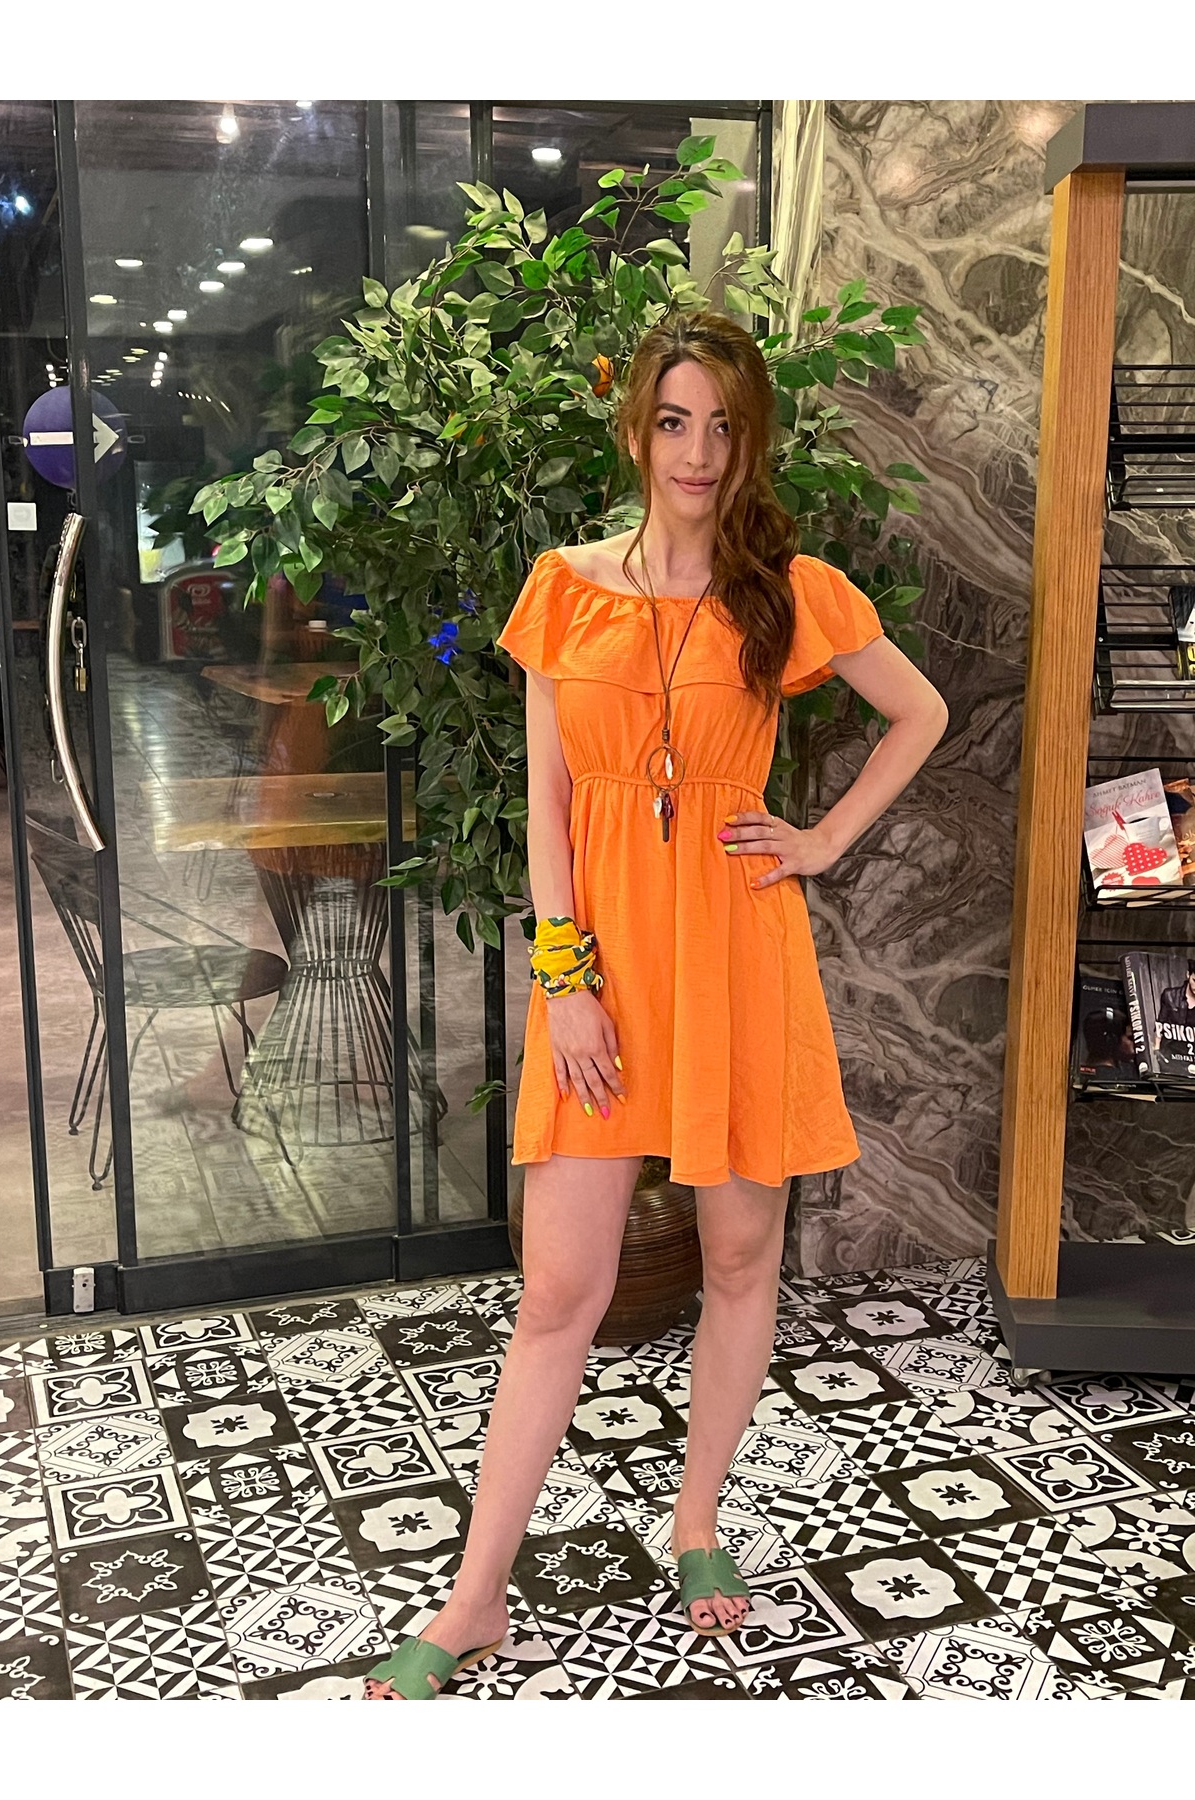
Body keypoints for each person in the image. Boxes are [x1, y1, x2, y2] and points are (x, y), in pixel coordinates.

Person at [363, 309, 948, 1700]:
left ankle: (696, 1525)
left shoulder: (792, 591)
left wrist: (821, 842)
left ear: (752, 440)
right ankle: (475, 1595)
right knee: (561, 1291)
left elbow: (918, 713)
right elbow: (548, 810)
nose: (699, 452)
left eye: (725, 426)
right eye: (676, 421)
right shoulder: (565, 589)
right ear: (638, 429)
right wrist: (565, 984)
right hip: (606, 969)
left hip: (740, 955)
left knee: (741, 1260)